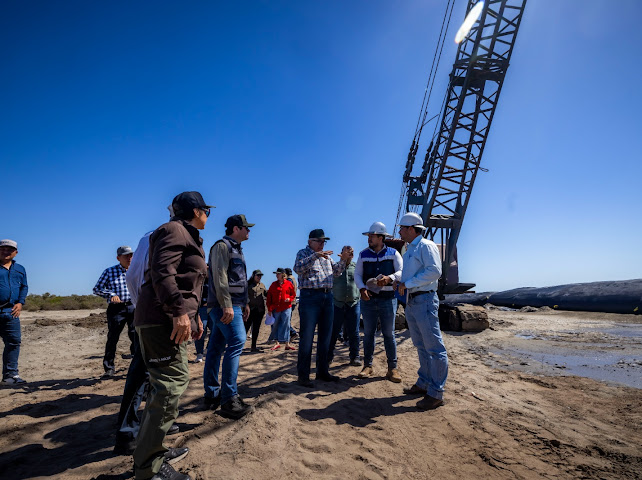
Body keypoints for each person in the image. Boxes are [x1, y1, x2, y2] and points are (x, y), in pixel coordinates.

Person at [133, 191, 212, 480]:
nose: (208, 216)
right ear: (196, 211)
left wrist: (194, 314)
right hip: (161, 320)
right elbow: (162, 272)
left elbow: (187, 282)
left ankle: (151, 451)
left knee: (163, 389)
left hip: (170, 319)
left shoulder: (187, 235)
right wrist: (179, 311)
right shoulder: (173, 230)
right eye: (207, 211)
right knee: (169, 387)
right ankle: (148, 468)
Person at [203, 214, 254, 420]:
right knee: (237, 341)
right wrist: (227, 305)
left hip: (234, 305)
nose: (249, 231)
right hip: (225, 306)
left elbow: (239, 280)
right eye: (246, 227)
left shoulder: (237, 249)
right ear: (236, 228)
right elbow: (220, 277)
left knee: (215, 349)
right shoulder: (222, 246)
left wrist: (246, 302)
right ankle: (229, 399)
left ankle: (212, 394)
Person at [396, 212, 447, 411]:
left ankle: (436, 393)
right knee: (421, 346)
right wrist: (395, 280)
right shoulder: (409, 249)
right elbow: (406, 274)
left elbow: (434, 271)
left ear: (411, 229)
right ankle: (424, 383)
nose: (399, 232)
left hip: (424, 299)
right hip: (413, 300)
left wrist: (408, 283)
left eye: (402, 228)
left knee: (434, 348)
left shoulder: (426, 246)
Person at [293, 228, 351, 388]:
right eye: (319, 241)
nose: (322, 244)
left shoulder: (327, 257)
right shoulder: (303, 253)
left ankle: (322, 371)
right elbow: (298, 268)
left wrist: (344, 260)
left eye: (323, 241)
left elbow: (337, 272)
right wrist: (315, 256)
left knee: (326, 337)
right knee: (307, 338)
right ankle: (303, 376)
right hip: (310, 297)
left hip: (327, 297)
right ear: (310, 241)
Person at [355, 222, 403, 383]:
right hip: (368, 300)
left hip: (388, 299)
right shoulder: (363, 255)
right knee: (368, 334)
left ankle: (392, 369)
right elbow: (357, 275)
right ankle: (367, 366)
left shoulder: (394, 253)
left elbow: (401, 271)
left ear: (381, 237)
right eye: (369, 236)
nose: (369, 238)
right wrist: (362, 289)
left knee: (389, 334)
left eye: (372, 236)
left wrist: (390, 278)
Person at [93, 245, 136, 377]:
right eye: (126, 256)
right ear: (118, 258)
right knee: (113, 337)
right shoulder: (109, 271)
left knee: (136, 335)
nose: (129, 258)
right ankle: (109, 368)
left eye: (131, 255)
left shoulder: (137, 270)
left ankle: (137, 364)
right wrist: (111, 295)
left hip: (134, 307)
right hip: (117, 309)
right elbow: (97, 289)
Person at [0, 239, 28, 384]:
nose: (6, 252)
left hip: (11, 312)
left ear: (15, 253)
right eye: (3, 249)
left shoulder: (20, 269)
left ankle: (10, 376)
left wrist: (20, 302)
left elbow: (24, 287)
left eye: (9, 250)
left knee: (13, 342)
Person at [328, 246, 361, 366]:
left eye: (351, 253)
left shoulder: (357, 267)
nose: (349, 255)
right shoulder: (335, 267)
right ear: (341, 254)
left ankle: (355, 356)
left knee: (354, 332)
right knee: (333, 331)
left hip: (353, 303)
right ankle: (328, 356)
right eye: (346, 253)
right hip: (337, 304)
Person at [266, 268, 296, 352]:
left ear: (283, 274)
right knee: (275, 324)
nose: (277, 275)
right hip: (275, 308)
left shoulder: (289, 283)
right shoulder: (273, 284)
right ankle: (276, 343)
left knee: (286, 324)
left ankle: (287, 344)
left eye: (278, 274)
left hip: (286, 307)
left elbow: (293, 294)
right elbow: (269, 297)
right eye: (276, 274)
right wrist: (269, 309)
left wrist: (289, 299)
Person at [246, 269, 267, 352]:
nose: (259, 277)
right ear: (253, 276)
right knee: (245, 328)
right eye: (258, 275)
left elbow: (266, 295)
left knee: (256, 329)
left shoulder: (262, 285)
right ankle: (238, 347)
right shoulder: (247, 285)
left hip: (259, 311)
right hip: (249, 311)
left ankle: (253, 346)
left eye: (260, 276)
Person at [194, 276, 212, 363]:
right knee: (201, 330)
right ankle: (199, 353)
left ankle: (208, 348)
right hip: (201, 309)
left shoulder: (214, 280)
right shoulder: (199, 279)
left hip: (213, 308)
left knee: (215, 329)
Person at [284, 267, 299, 339]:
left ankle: (292, 333)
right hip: (293, 301)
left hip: (289, 302)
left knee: (285, 320)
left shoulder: (289, 280)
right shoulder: (293, 279)